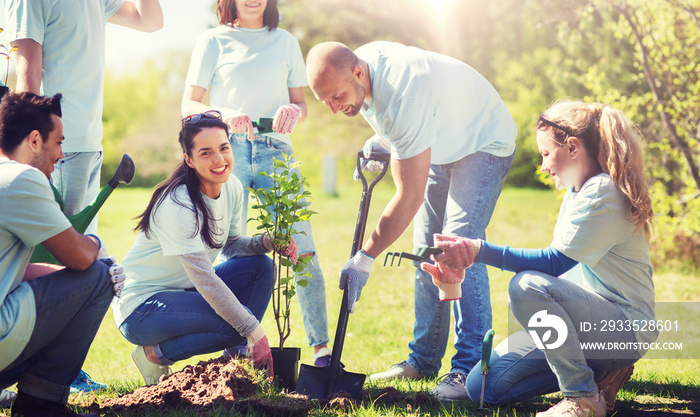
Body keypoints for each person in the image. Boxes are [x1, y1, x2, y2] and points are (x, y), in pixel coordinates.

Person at [306, 41, 517, 397]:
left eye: (338, 97)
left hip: (483, 139)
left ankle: (469, 372)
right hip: (441, 140)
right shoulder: (361, 65)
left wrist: (365, 258)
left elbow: (408, 196)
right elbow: (394, 115)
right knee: (425, 252)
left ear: (358, 73)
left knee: (458, 247)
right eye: (325, 101)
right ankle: (422, 361)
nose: (334, 108)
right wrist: (382, 138)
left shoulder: (403, 92)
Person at [420, 99, 655, 416]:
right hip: (581, 325)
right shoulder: (577, 191)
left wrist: (476, 250)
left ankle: (583, 397)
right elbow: (560, 274)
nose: (543, 166)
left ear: (572, 147)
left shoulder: (603, 191)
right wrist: (458, 274)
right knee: (482, 389)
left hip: (621, 328)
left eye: (546, 154)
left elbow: (553, 263)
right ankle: (601, 375)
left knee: (527, 285)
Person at [4, 0, 164, 392]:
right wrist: (31, 150)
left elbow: (151, 21)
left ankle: (41, 370)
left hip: (87, 142)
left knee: (82, 265)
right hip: (55, 144)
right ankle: (32, 373)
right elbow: (28, 75)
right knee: (66, 255)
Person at [181, 0, 332, 367]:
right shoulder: (212, 40)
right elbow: (188, 105)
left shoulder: (285, 42)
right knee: (230, 245)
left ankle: (322, 353)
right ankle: (235, 347)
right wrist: (223, 115)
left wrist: (295, 110)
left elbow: (302, 103)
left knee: (303, 246)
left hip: (276, 150)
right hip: (228, 150)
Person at [112, 111, 297, 385]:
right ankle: (153, 354)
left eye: (224, 148)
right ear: (189, 159)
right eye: (206, 153)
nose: (219, 160)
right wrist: (252, 330)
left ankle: (235, 356)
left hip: (185, 291)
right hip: (141, 307)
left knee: (261, 266)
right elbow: (206, 279)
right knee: (236, 322)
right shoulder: (178, 204)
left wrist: (267, 242)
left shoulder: (231, 186)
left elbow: (231, 247)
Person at [0, 91, 121, 417]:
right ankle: (40, 403)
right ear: (35, 140)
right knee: (99, 275)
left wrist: (63, 284)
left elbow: (13, 273)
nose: (62, 154)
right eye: (58, 142)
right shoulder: (21, 178)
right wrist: (97, 244)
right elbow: (81, 258)